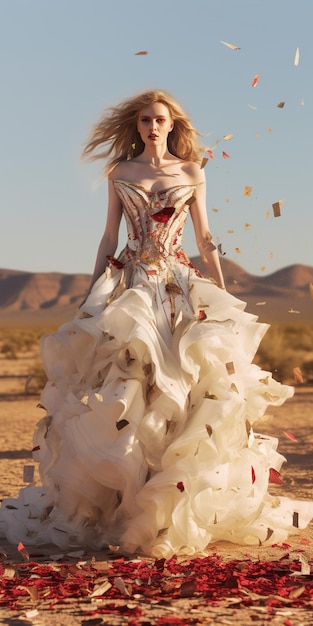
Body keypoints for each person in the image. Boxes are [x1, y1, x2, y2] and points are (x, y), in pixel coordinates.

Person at [0, 89, 312, 558]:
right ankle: (120, 499)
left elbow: (205, 237)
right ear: (137, 124)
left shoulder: (192, 171)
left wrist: (223, 293)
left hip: (176, 282)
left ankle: (167, 501)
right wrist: (90, 294)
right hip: (130, 282)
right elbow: (109, 235)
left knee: (184, 384)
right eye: (145, 119)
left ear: (171, 124)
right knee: (127, 382)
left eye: (159, 119)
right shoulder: (120, 172)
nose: (152, 125)